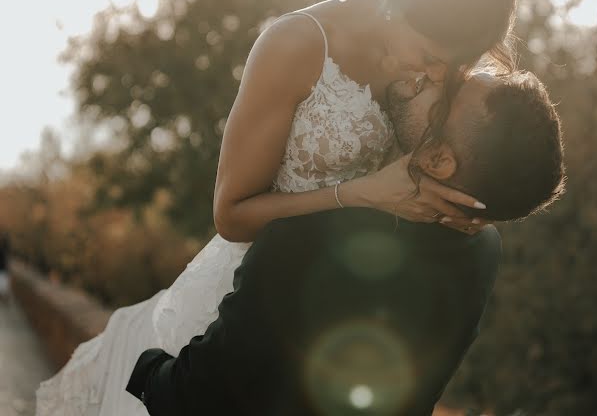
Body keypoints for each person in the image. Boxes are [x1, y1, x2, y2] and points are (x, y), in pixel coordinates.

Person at [35, 0, 521, 415]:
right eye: (427, 54)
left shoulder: (444, 53)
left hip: (347, 314)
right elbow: (231, 215)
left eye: (449, 64)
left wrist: (463, 209)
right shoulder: (297, 44)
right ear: (399, 2)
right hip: (250, 311)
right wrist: (357, 193)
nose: (435, 74)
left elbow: (451, 161)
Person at [126, 70, 566, 415]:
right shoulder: (484, 250)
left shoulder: (307, 234)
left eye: (451, 88)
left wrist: (143, 368)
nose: (438, 73)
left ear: (438, 160)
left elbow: (203, 395)